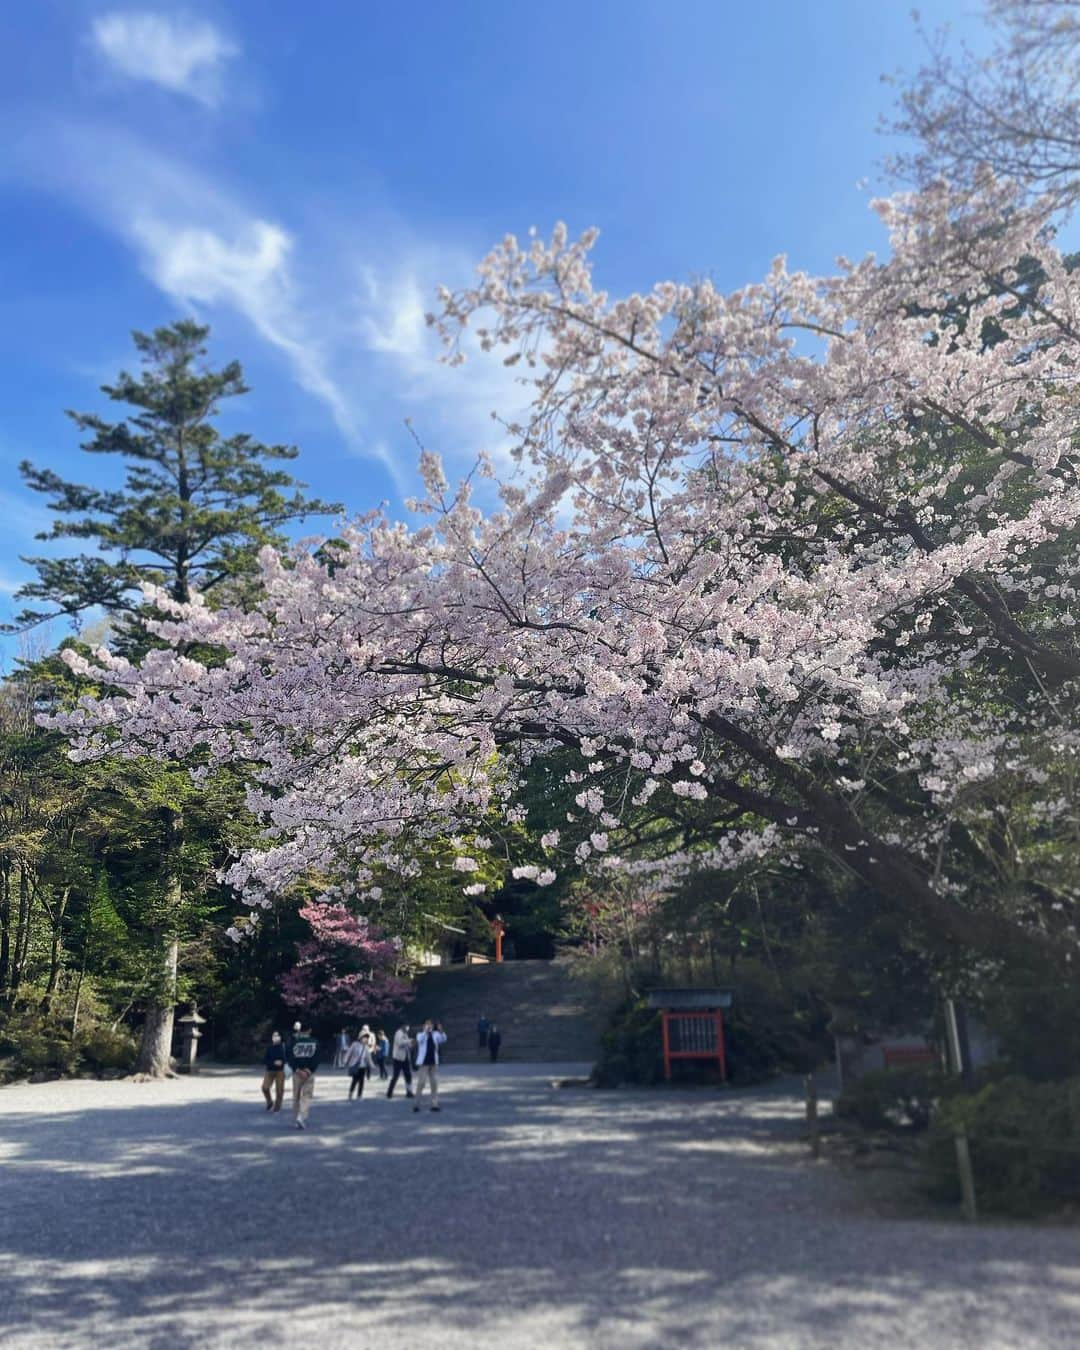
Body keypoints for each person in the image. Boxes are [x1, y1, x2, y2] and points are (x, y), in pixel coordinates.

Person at [288, 1024, 321, 1129]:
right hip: (309, 1073)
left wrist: (297, 1069)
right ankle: (301, 1116)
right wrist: (308, 1070)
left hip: (297, 1073)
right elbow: (317, 1058)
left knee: (296, 1096)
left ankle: (295, 1118)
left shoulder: (293, 1043)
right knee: (306, 1095)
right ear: (309, 1030)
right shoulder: (315, 1042)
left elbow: (289, 1057)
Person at [412, 1019, 447, 1113]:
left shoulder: (435, 1034)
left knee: (434, 1084)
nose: (429, 1025)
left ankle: (434, 1104)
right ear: (423, 1026)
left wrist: (441, 1030)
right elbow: (420, 1040)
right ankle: (416, 1104)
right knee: (421, 1083)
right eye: (427, 1024)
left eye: (430, 1024)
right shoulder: (420, 1034)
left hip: (433, 1063)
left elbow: (443, 1039)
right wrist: (426, 1032)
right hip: (423, 1063)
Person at [386, 1023, 415, 1098]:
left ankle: (409, 1092)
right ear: (403, 1026)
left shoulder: (405, 1034)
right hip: (398, 1058)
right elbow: (400, 1043)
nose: (407, 1028)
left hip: (405, 1058)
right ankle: (389, 1092)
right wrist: (409, 1041)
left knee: (408, 1075)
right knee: (395, 1076)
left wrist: (411, 1044)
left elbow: (407, 1045)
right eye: (406, 1026)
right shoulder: (398, 1033)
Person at [261, 1030, 286, 1110]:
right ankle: (269, 1101)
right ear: (272, 1038)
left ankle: (277, 1106)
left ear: (280, 1037)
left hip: (280, 1071)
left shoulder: (284, 1047)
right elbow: (265, 1060)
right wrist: (273, 1062)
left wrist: (282, 1062)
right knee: (265, 1088)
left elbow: (288, 1059)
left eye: (277, 1036)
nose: (275, 1038)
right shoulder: (269, 1048)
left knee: (279, 1090)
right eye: (274, 1036)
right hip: (270, 1070)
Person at [344, 1029, 373, 1099]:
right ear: (360, 1037)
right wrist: (345, 1061)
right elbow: (349, 1053)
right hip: (355, 1065)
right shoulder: (355, 1044)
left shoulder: (366, 1047)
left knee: (362, 1081)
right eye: (364, 1037)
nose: (366, 1039)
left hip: (363, 1066)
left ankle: (359, 1095)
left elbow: (368, 1057)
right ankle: (351, 1093)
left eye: (367, 1038)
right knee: (355, 1080)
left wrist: (371, 1064)